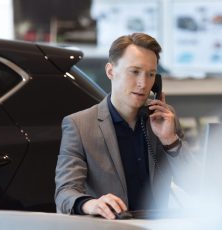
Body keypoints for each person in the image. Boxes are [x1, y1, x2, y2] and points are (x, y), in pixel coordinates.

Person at [55, 33, 195, 219]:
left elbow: (196, 185)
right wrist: (91, 204)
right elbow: (65, 193)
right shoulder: (79, 125)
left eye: (151, 74)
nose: (143, 83)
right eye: (134, 71)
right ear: (111, 71)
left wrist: (170, 141)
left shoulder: (164, 119)